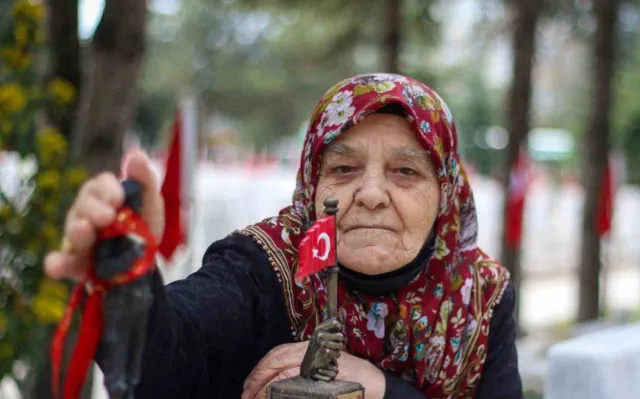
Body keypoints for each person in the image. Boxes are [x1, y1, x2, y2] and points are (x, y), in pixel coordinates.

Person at [45, 73, 522, 398]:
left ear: (446, 193)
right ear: (312, 186)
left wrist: (375, 387)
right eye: (344, 168)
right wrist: (128, 278)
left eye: (405, 171)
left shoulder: (479, 294)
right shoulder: (262, 265)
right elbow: (166, 359)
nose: (372, 194)